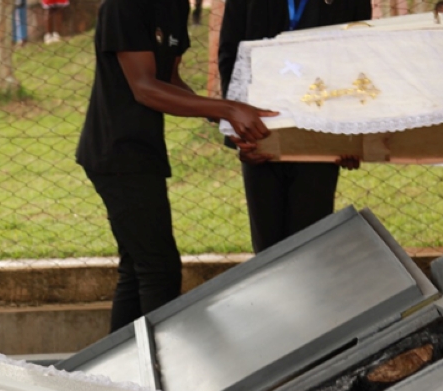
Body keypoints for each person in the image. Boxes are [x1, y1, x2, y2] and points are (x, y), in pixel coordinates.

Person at [77, 0, 275, 332]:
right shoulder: (122, 7)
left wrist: (228, 120)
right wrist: (228, 109)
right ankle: (161, 373)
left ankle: (117, 373)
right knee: (159, 270)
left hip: (145, 151)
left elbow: (169, 79)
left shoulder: (175, 6)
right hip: (116, 153)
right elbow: (144, 88)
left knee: (138, 268)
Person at [219, 0, 371, 254]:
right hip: (261, 133)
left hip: (321, 134)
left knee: (310, 246)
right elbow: (229, 56)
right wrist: (238, 129)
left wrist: (351, 138)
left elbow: (359, 60)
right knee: (268, 253)